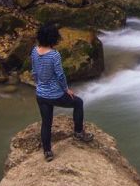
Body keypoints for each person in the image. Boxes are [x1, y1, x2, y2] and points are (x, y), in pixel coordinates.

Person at [31, 22, 93, 161]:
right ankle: (78, 132)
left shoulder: (34, 51)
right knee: (78, 102)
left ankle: (47, 152)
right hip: (55, 94)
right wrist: (66, 89)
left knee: (46, 123)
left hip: (41, 94)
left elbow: (34, 71)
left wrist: (38, 84)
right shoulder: (54, 55)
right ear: (53, 38)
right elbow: (60, 75)